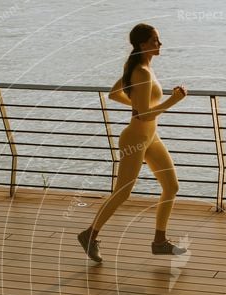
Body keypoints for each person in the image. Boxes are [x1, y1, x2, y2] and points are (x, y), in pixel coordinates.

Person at [78, 23, 188, 263]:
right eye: (155, 40)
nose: (160, 44)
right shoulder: (142, 72)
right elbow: (145, 115)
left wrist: (138, 105)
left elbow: (114, 94)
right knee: (123, 192)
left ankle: (159, 242)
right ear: (143, 44)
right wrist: (173, 100)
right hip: (136, 139)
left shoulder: (139, 66)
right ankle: (90, 234)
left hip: (149, 137)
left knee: (171, 186)